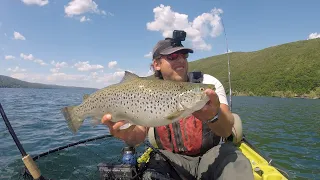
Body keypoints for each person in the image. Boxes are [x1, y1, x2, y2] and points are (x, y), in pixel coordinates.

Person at [101, 32, 254, 180]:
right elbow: (138, 135)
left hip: (213, 155)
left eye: (184, 55)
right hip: (171, 160)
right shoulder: (145, 91)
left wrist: (214, 116)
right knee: (150, 172)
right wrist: (126, 135)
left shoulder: (208, 84)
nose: (181, 60)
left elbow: (227, 130)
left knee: (236, 161)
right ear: (156, 64)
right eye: (173, 56)